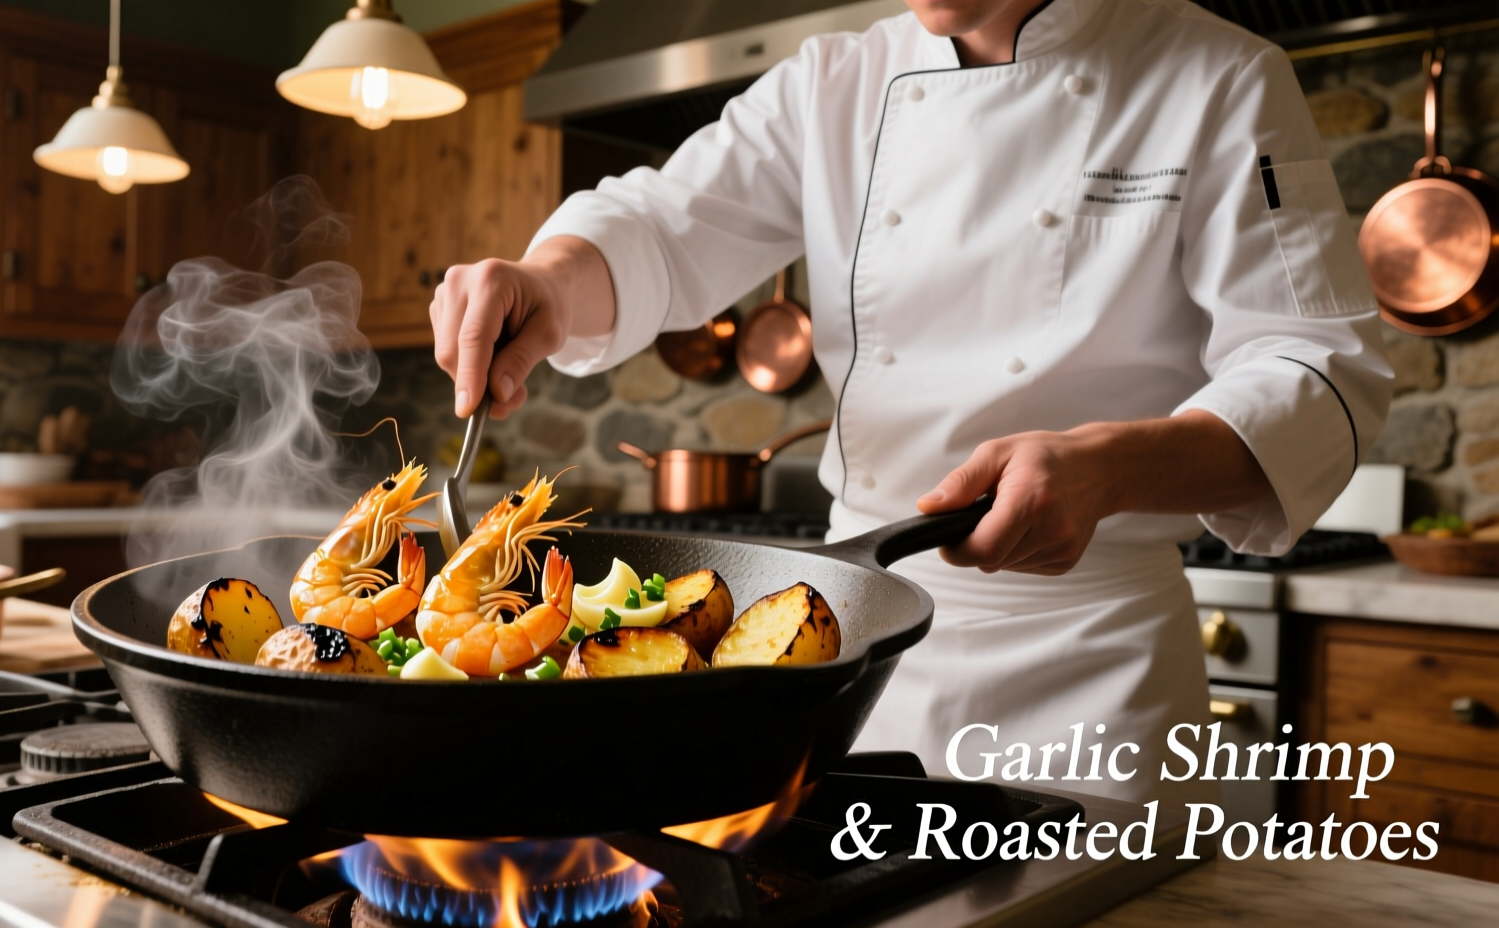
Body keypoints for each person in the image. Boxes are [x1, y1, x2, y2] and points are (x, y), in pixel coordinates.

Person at [427, 0, 1391, 804]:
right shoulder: (835, 81)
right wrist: (546, 281)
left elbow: (1320, 367)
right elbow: (662, 229)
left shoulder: (1217, 75)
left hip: (1094, 676)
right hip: (858, 662)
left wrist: (1109, 466)